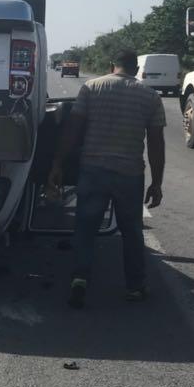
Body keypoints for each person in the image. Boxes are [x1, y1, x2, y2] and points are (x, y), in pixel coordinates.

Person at [48, 48, 166, 309]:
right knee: (131, 231)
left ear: (113, 65)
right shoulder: (150, 96)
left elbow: (73, 130)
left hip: (93, 169)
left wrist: (57, 164)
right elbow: (156, 143)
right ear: (136, 69)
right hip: (129, 173)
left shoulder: (91, 88)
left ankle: (79, 279)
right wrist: (157, 183)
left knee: (85, 227)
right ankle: (135, 286)